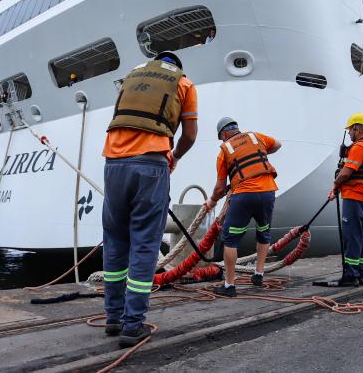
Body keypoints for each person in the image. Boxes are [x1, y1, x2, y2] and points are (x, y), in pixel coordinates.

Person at [101, 50, 198, 347]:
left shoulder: (130, 79)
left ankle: (113, 318)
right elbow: (190, 135)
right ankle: (133, 325)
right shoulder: (184, 84)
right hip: (151, 165)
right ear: (176, 67)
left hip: (113, 164)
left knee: (115, 241)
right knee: (144, 244)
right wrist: (175, 156)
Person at [203, 117, 281, 296]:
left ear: (223, 134)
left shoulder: (225, 150)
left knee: (230, 239)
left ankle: (229, 286)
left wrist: (211, 202)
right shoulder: (255, 137)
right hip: (268, 191)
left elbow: (220, 187)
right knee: (264, 231)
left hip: (244, 195)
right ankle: (259, 274)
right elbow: (277, 145)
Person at [320, 113, 363, 287]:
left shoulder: (360, 147)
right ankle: (360, 273)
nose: (349, 134)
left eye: (350, 131)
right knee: (360, 236)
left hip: (356, 197)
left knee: (351, 236)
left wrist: (335, 184)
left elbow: (346, 172)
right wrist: (337, 189)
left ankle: (351, 276)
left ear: (356, 128)